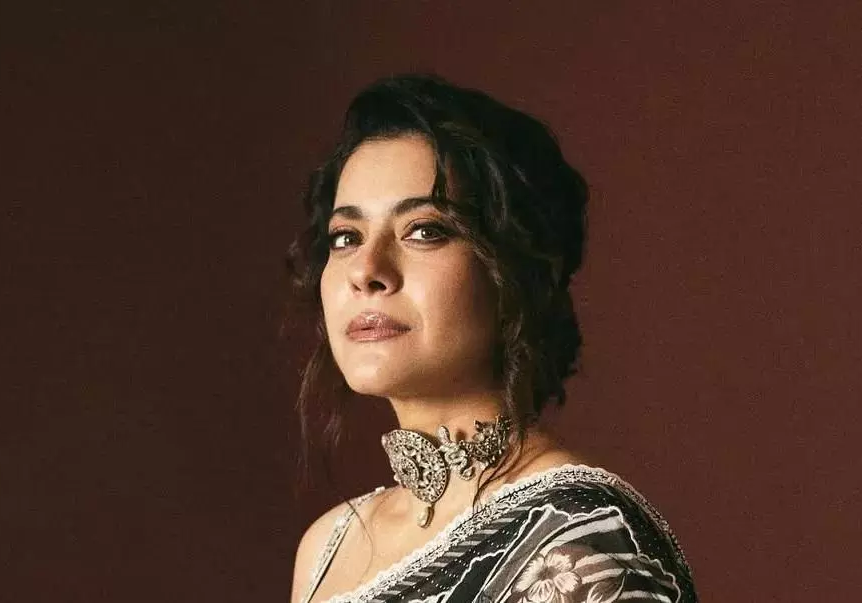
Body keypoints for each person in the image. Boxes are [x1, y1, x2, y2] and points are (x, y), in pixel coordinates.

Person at [286, 74, 698, 603]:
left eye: (425, 230)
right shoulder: (327, 548)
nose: (366, 271)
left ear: (512, 271)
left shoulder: (577, 536)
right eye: (346, 237)